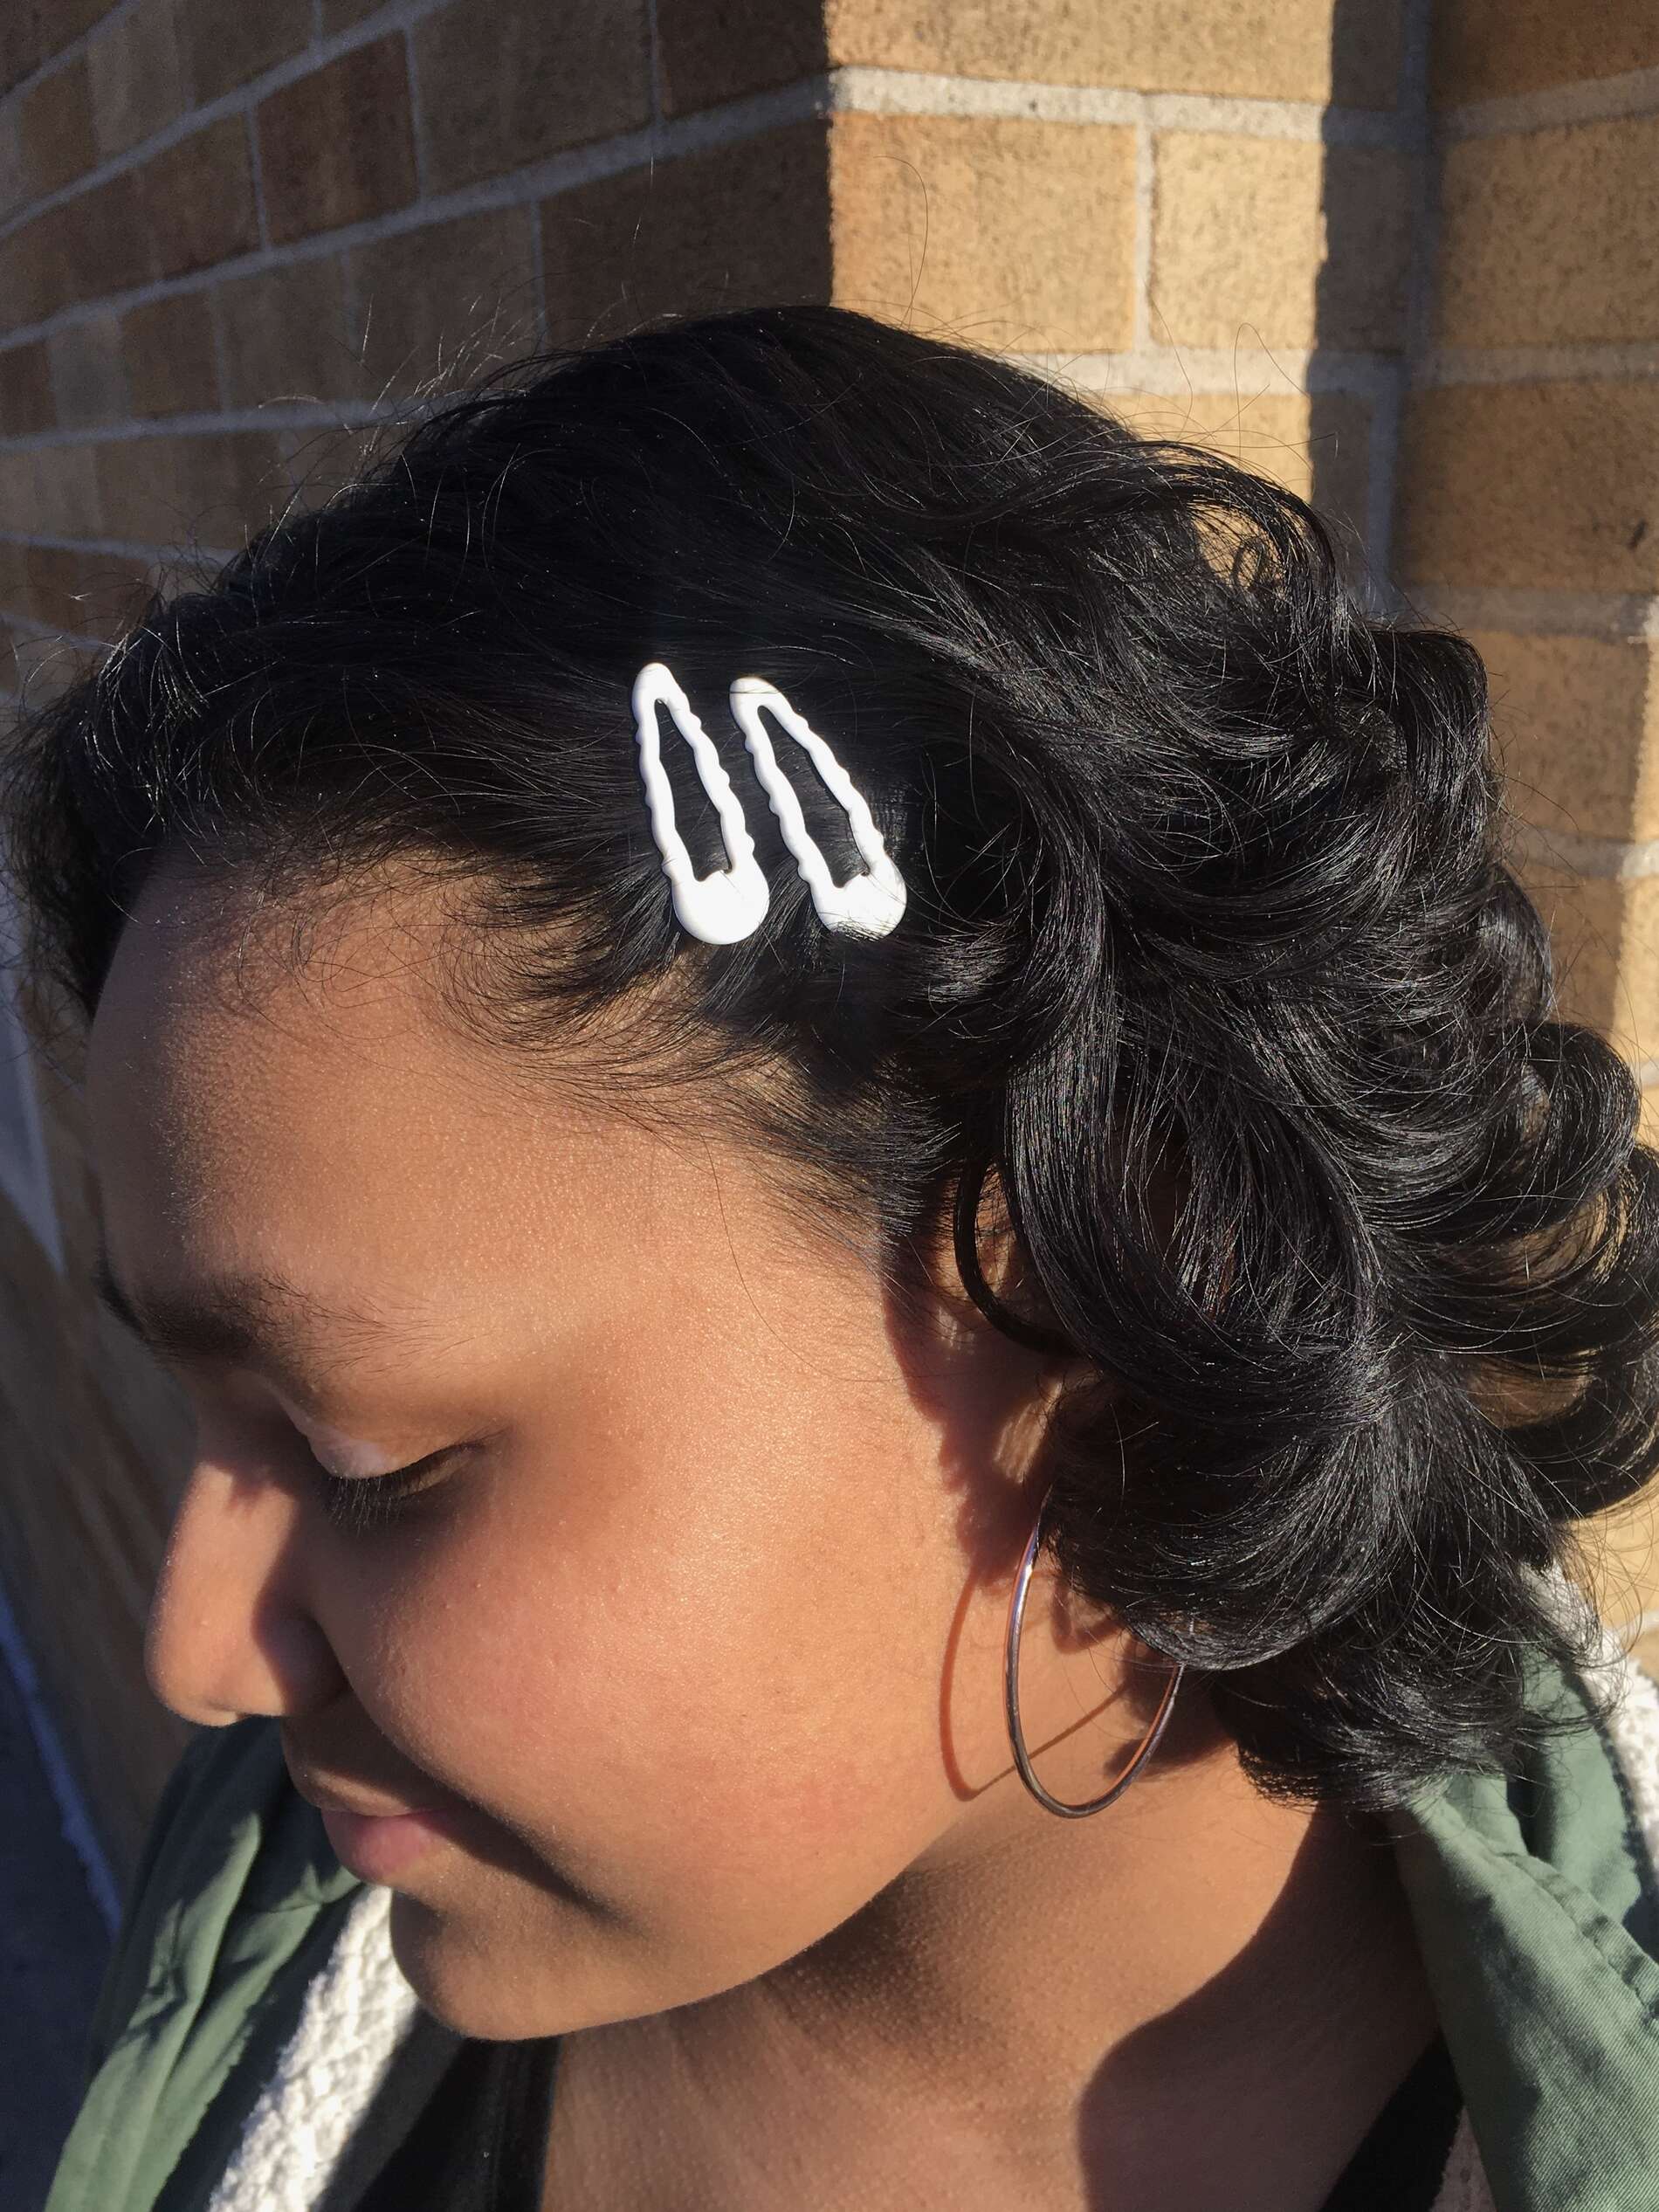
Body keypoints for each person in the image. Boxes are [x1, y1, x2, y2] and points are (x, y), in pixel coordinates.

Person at [10, 304, 1659, 2212]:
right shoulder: (288, 1899)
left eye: (372, 1461)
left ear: (1118, 1263)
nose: (201, 1656)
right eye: (201, 1415)